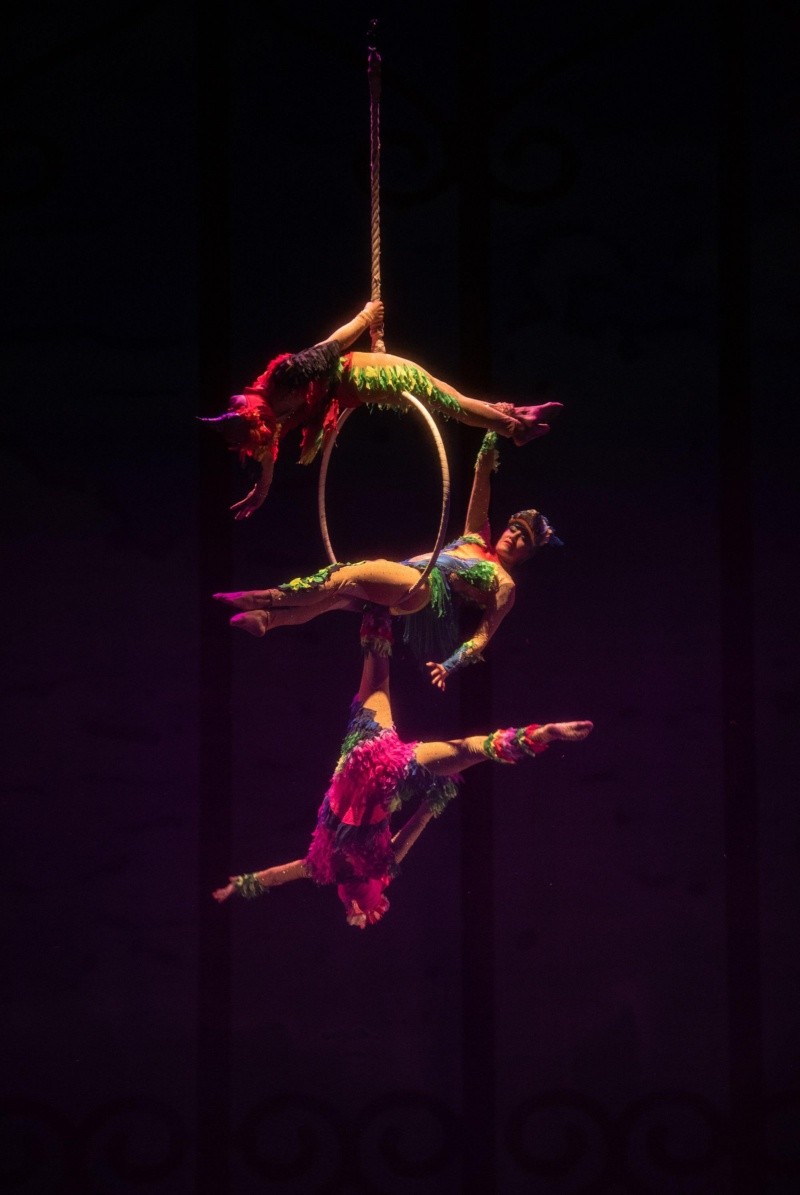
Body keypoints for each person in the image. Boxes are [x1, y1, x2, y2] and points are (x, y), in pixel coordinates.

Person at [212, 611, 593, 928]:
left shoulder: (345, 865)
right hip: (372, 757)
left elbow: (416, 823)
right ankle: (539, 734)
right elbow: (275, 876)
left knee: (467, 746)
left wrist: (435, 797)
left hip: (376, 758)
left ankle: (539, 735)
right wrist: (240, 886)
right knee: (379, 658)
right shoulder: (332, 866)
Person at [214, 431, 562, 690]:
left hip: (420, 588)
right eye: (514, 527)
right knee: (335, 597)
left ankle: (264, 597)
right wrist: (495, 427)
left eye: (523, 538)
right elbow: (482, 473)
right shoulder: (476, 537)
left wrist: (450, 666)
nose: (513, 536)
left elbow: (482, 636)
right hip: (404, 581)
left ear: (527, 554)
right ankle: (267, 620)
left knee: (347, 574)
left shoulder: (505, 584)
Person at [199, 299, 563, 519]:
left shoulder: (285, 376)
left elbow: (331, 345)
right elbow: (266, 455)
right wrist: (262, 490)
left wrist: (365, 317)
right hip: (363, 382)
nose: (268, 431)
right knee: (445, 397)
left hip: (363, 376)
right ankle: (515, 425)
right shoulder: (271, 418)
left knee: (445, 396)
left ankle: (516, 420)